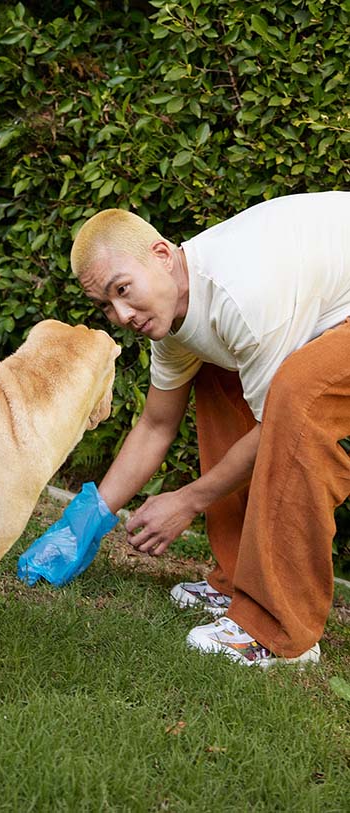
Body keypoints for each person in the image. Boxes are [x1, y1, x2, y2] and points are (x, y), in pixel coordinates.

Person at [38, 191, 350, 667]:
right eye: (105, 305)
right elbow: (156, 423)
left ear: (162, 255)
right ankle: (237, 581)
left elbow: (277, 430)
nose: (121, 316)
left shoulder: (242, 294)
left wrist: (187, 500)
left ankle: (279, 631)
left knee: (299, 397)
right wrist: (88, 516)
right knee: (218, 373)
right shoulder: (179, 318)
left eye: (122, 290)